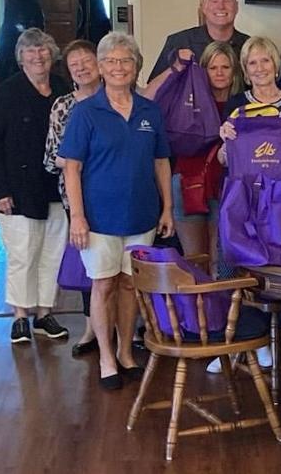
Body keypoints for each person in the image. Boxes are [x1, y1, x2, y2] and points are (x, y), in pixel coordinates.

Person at [59, 32, 174, 391]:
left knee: (129, 285)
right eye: (111, 61)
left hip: (141, 215)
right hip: (99, 219)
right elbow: (71, 167)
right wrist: (77, 216)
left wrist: (167, 207)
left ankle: (126, 352)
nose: (119, 67)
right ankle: (106, 359)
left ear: (136, 66)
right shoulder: (86, 111)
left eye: (126, 60)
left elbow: (161, 162)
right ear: (101, 67)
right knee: (104, 284)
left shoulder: (149, 110)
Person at [212, 36, 281, 374]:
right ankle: (241, 340)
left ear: (276, 66)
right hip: (243, 199)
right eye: (253, 63)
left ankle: (276, 340)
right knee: (234, 267)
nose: (260, 68)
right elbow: (223, 159)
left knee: (279, 268)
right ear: (245, 71)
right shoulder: (235, 104)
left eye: (266, 61)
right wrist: (226, 141)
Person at [0, 28, 71, 344]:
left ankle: (44, 313)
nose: (37, 57)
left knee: (52, 254)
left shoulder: (63, 88)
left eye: (43, 51)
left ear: (52, 55)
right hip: (18, 189)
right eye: (30, 52)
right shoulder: (8, 92)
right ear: (21, 58)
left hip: (57, 188)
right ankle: (20, 316)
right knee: (23, 255)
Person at [143, 42, 242, 275]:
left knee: (222, 262)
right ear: (202, 70)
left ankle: (220, 312)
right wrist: (177, 67)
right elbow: (147, 99)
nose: (219, 72)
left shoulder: (242, 103)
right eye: (212, 67)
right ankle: (198, 312)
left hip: (224, 187)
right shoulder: (187, 99)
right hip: (186, 182)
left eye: (225, 67)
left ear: (235, 70)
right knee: (194, 262)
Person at [44, 39, 103, 355]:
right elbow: (53, 156)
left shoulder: (120, 98)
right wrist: (88, 157)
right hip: (78, 197)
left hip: (119, 194)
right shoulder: (63, 106)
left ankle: (129, 328)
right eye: (74, 64)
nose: (81, 67)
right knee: (89, 267)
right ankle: (92, 329)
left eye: (86, 60)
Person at [147, 0, 249, 82]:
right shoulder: (179, 42)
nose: (221, 6)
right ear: (203, 7)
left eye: (227, 0)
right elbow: (153, 92)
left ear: (236, 7)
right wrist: (176, 67)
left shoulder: (249, 47)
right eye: (214, 1)